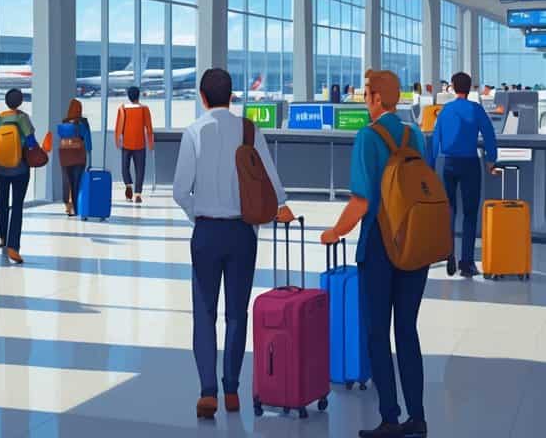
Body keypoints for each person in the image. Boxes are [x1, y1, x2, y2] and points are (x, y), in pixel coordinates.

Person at [173, 69, 295, 420]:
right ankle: (231, 389)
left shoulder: (194, 131)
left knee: (204, 313)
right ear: (232, 96)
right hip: (243, 233)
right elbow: (271, 182)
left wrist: (200, 214)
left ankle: (206, 391)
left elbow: (181, 190)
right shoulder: (249, 129)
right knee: (236, 314)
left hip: (207, 233)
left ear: (202, 96)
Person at [321, 70, 429, 438]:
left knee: (378, 334)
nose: (365, 99)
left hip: (381, 247)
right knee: (408, 331)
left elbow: (362, 200)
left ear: (379, 99)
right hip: (415, 245)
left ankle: (389, 418)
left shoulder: (368, 137)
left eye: (367, 93)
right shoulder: (415, 134)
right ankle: (418, 417)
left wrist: (335, 232)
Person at [433, 71, 498, 278]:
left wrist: (430, 165)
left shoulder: (445, 111)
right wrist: (490, 161)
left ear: (452, 86)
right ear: (470, 88)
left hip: (448, 164)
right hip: (470, 163)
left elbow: (435, 139)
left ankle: (448, 254)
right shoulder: (476, 109)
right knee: (470, 214)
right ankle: (467, 263)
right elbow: (489, 135)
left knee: (449, 211)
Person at [0, 88, 36, 264]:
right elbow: (31, 142)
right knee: (17, 206)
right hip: (20, 168)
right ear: (20, 102)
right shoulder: (23, 118)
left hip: (1, 167)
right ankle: (13, 246)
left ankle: (2, 237)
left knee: (2, 203)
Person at [43, 98, 93, 216]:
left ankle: (67, 205)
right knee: (77, 181)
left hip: (64, 155)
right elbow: (88, 141)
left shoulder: (63, 123)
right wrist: (89, 152)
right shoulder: (82, 123)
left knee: (66, 181)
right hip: (79, 156)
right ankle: (76, 207)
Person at [115, 85, 155, 203]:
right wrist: (150, 143)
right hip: (140, 144)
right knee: (140, 169)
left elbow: (118, 126)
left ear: (128, 96)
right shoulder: (144, 109)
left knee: (124, 168)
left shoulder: (122, 109)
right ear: (138, 95)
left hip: (126, 144)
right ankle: (138, 193)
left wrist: (117, 140)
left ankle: (128, 186)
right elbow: (149, 128)